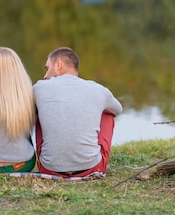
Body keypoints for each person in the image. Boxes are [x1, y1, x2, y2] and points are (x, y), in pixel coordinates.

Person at [33, 47, 123, 178]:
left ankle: (54, 158)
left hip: (49, 170)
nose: (45, 76)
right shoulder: (98, 89)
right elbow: (118, 109)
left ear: (58, 64)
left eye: (47, 68)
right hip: (92, 169)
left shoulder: (39, 87)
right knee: (108, 113)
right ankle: (90, 155)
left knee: (37, 111)